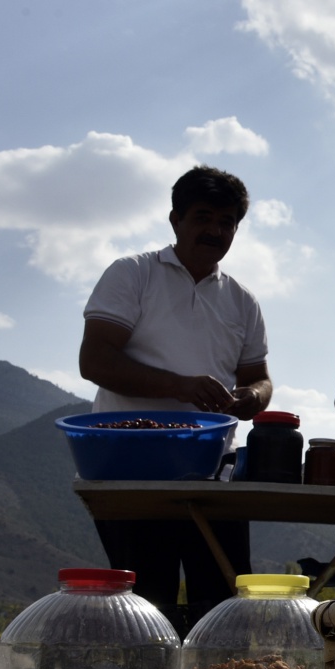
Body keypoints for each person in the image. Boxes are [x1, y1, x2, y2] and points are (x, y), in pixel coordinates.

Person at [79, 165, 273, 633]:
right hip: (131, 472)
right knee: (148, 609)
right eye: (203, 217)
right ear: (175, 220)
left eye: (227, 222)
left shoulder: (242, 301)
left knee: (221, 608)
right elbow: (95, 361)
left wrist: (250, 398)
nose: (216, 231)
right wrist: (181, 385)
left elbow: (260, 381)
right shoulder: (133, 274)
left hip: (214, 474)